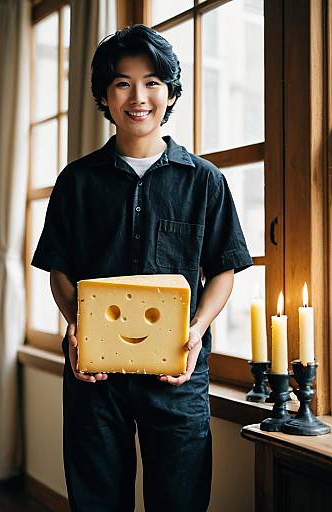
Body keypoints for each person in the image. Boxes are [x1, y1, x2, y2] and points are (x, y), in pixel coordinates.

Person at [32, 24, 252, 512]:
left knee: (179, 501)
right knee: (96, 501)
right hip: (95, 378)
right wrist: (76, 324)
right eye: (122, 82)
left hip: (178, 375)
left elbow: (224, 270)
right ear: (105, 96)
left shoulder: (205, 181)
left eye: (152, 81)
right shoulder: (76, 182)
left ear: (170, 93)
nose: (139, 96)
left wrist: (197, 329)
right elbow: (60, 270)